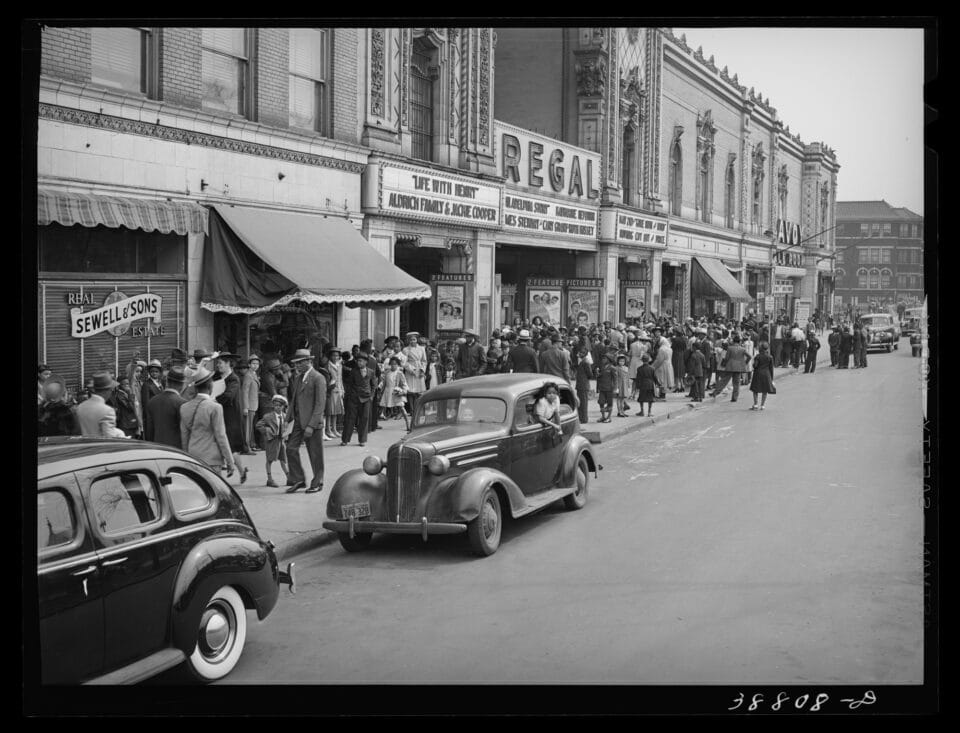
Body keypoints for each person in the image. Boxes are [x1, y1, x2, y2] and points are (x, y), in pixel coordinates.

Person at [179, 366, 236, 476]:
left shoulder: (184, 407)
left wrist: (187, 458)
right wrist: (230, 461)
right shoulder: (215, 407)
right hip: (212, 459)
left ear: (196, 388)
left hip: (193, 457)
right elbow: (221, 436)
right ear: (210, 385)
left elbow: (184, 437)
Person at [285, 349, 327, 494]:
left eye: (300, 363)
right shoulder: (298, 378)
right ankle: (298, 479)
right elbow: (293, 400)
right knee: (290, 448)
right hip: (298, 421)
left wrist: (311, 425)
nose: (297, 366)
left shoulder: (318, 378)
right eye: (296, 363)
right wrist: (287, 419)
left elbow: (320, 405)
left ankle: (318, 481)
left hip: (312, 423)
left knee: (315, 454)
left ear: (309, 361)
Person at [214, 353, 248, 484]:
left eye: (220, 363)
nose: (218, 366)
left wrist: (213, 400)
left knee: (231, 446)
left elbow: (229, 396)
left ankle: (238, 470)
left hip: (231, 417)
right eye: (217, 363)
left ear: (228, 363)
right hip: (219, 413)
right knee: (222, 444)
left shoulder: (234, 379)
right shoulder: (217, 376)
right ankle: (236, 469)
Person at [144, 366, 187, 448]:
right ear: (182, 384)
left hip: (157, 450)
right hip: (177, 451)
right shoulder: (182, 404)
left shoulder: (152, 401)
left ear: (167, 381)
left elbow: (149, 432)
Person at [341, 347, 375, 447]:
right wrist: (351, 395)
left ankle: (362, 440)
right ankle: (345, 440)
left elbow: (374, 385)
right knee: (350, 419)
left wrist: (371, 396)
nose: (358, 363)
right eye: (357, 361)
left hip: (366, 398)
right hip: (354, 398)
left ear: (365, 362)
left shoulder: (371, 372)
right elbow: (349, 384)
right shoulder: (353, 371)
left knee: (364, 419)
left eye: (360, 361)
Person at [256, 394, 289, 488]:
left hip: (281, 441)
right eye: (275, 405)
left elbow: (287, 427)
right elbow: (258, 425)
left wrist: (287, 433)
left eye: (280, 406)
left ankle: (288, 477)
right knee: (269, 460)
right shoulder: (268, 417)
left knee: (283, 459)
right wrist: (267, 431)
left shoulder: (285, 416)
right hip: (272, 441)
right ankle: (269, 479)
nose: (277, 407)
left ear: (283, 407)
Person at [711, 334, 751, 402]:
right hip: (739, 367)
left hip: (730, 366)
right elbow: (749, 356)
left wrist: (724, 364)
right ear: (739, 341)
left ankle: (715, 393)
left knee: (724, 381)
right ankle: (734, 398)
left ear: (733, 341)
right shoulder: (743, 349)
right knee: (736, 383)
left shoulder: (730, 348)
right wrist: (745, 363)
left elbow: (726, 358)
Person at [402, 332, 427, 413]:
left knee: (419, 392)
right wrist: (411, 369)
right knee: (411, 392)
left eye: (414, 339)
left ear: (417, 340)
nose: (412, 341)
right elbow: (404, 362)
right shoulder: (406, 350)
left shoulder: (422, 349)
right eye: (411, 340)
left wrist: (422, 370)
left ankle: (418, 408)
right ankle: (412, 409)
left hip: (419, 370)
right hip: (411, 371)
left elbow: (424, 361)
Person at [379, 356, 409, 424]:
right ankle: (378, 420)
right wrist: (381, 390)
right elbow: (384, 383)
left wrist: (404, 391)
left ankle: (408, 423)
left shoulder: (399, 373)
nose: (393, 365)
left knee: (401, 407)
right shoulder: (387, 372)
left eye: (395, 364)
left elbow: (404, 383)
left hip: (396, 392)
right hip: (387, 391)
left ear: (398, 365)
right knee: (382, 405)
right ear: (390, 364)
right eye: (392, 364)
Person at [242, 354, 261, 452]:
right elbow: (245, 391)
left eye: (257, 363)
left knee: (250, 427)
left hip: (253, 404)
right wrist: (245, 406)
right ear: (249, 365)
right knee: (247, 428)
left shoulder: (253, 374)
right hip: (249, 405)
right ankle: (247, 447)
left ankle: (250, 445)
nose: (255, 365)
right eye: (253, 363)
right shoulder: (248, 375)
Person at [324, 348, 344, 440]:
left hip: (338, 390)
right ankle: (328, 429)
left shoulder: (339, 365)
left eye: (337, 355)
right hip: (331, 390)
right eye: (333, 355)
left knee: (336, 411)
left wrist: (342, 389)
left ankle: (334, 429)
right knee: (329, 411)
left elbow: (340, 378)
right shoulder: (328, 365)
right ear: (330, 356)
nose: (335, 357)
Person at [749, 342, 776, 411]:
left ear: (760, 348)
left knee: (755, 389)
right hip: (766, 374)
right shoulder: (770, 357)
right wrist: (772, 379)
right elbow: (771, 369)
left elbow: (755, 366)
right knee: (765, 390)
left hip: (758, 374)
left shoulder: (758, 356)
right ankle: (762, 405)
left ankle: (755, 404)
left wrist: (753, 362)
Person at [596, 351, 617, 423]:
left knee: (609, 403)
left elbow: (615, 379)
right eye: (603, 358)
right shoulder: (602, 367)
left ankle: (609, 417)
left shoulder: (612, 368)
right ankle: (603, 416)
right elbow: (600, 376)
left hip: (609, 388)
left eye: (604, 358)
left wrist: (615, 389)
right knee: (601, 402)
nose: (603, 360)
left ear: (609, 359)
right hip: (602, 388)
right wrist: (598, 374)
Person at [574, 347, 593, 424]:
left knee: (583, 403)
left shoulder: (585, 362)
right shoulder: (583, 361)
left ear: (585, 354)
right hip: (582, 385)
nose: (579, 354)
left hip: (583, 385)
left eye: (581, 353)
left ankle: (584, 419)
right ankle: (582, 418)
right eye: (580, 352)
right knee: (582, 403)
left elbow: (590, 374)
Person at [670, 329, 688, 393]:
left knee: (676, 371)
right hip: (682, 354)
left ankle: (677, 386)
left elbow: (672, 347)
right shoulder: (684, 340)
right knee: (681, 371)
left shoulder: (675, 339)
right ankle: (682, 385)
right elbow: (685, 348)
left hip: (676, 354)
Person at [614, 353, 631, 417]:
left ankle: (623, 411)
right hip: (619, 385)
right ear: (618, 361)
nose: (622, 362)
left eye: (623, 361)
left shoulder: (626, 368)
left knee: (623, 399)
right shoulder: (616, 368)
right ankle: (619, 412)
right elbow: (616, 378)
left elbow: (627, 377)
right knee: (619, 399)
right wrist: (616, 387)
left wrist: (628, 386)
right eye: (620, 361)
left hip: (625, 385)